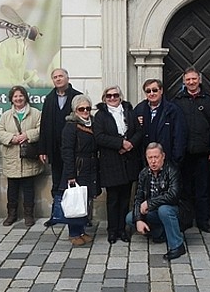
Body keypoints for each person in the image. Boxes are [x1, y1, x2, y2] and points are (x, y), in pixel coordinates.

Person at [94, 85, 143, 244]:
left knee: (125, 198)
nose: (112, 98)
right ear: (104, 98)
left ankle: (122, 229)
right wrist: (120, 144)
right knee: (113, 199)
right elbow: (99, 137)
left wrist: (130, 144)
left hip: (128, 160)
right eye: (109, 96)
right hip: (111, 162)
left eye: (115, 95)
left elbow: (139, 132)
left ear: (120, 96)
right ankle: (112, 230)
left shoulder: (129, 112)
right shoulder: (100, 115)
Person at [173, 67, 210, 233]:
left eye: (194, 79)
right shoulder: (177, 100)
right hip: (183, 153)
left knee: (203, 189)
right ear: (184, 81)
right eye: (188, 79)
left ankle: (203, 220)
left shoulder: (209, 100)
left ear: (199, 80)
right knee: (184, 189)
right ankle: (186, 219)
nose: (191, 82)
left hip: (203, 153)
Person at [127, 143, 186, 261]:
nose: (153, 161)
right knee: (130, 218)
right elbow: (138, 198)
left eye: (156, 157)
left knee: (164, 210)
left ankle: (177, 246)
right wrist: (138, 219)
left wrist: (150, 203)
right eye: (150, 158)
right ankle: (160, 232)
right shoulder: (144, 173)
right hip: (154, 211)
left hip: (176, 210)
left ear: (163, 156)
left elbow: (173, 196)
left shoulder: (172, 170)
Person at [0, 85, 42, 227]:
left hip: (28, 158)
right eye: (15, 96)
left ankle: (29, 215)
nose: (18, 98)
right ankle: (11, 215)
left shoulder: (36, 113)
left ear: (25, 97)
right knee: (12, 189)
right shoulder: (6, 115)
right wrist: (12, 138)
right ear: (11, 99)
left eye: (21, 95)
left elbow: (41, 129)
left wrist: (27, 135)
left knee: (29, 188)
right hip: (12, 158)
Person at [61, 95, 99, 246]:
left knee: (85, 199)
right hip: (78, 167)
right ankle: (74, 233)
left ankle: (82, 230)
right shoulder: (70, 127)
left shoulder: (93, 124)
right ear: (75, 110)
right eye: (81, 109)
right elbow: (67, 151)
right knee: (75, 200)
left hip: (91, 166)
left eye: (88, 108)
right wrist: (70, 174)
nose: (85, 111)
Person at [38, 68, 82, 200]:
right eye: (55, 77)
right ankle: (57, 209)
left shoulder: (78, 97)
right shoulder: (49, 99)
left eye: (60, 76)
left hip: (74, 149)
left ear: (67, 78)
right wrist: (42, 150)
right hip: (55, 149)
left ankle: (74, 211)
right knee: (57, 182)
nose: (58, 79)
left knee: (73, 182)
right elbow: (44, 125)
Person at [133, 78, 187, 168]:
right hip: (145, 163)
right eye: (148, 91)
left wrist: (175, 161)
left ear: (161, 91)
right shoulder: (139, 109)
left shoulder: (172, 110)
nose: (151, 93)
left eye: (154, 90)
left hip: (168, 161)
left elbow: (179, 136)